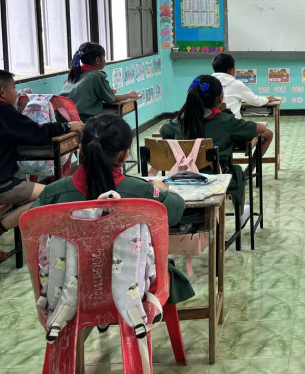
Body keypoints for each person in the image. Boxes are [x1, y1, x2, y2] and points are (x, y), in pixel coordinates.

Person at [31, 115, 194, 304]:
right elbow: (176, 209)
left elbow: (33, 231)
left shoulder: (52, 194)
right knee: (167, 270)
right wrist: (161, 189)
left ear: (80, 149)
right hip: (133, 292)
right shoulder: (142, 192)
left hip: (70, 295)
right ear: (124, 155)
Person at [0, 69, 84, 261]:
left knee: (19, 198)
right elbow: (37, 133)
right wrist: (68, 126)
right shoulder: (0, 109)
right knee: (54, 194)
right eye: (14, 88)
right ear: (2, 92)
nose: (16, 93)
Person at [161, 75, 257, 225]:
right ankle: (240, 215)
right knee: (237, 172)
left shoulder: (179, 122)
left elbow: (162, 130)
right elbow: (259, 130)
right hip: (214, 180)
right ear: (220, 98)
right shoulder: (226, 121)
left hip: (180, 179)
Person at [211, 53, 276, 157]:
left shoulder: (207, 83)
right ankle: (251, 167)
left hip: (212, 132)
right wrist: (267, 99)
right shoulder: (236, 84)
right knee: (268, 133)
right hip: (233, 130)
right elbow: (255, 101)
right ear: (231, 70)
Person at [61, 42, 139, 120]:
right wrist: (128, 95)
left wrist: (106, 92)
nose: (105, 60)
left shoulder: (75, 73)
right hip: (83, 120)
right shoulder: (96, 76)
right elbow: (111, 99)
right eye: (104, 57)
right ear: (97, 60)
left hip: (65, 118)